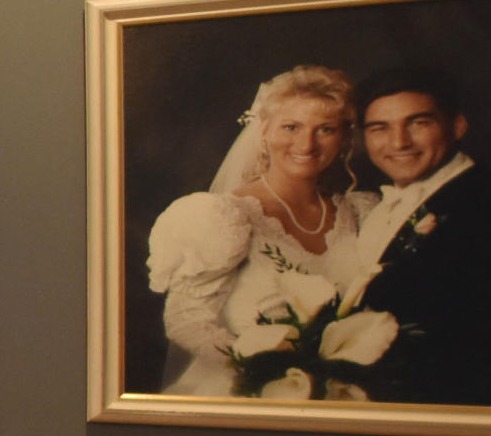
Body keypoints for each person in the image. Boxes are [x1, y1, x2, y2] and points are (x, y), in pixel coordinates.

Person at [146, 65, 372, 395]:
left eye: (325, 129)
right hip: (242, 390)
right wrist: (262, 372)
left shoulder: (360, 212)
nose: (306, 143)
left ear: (344, 138)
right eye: (291, 127)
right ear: (263, 131)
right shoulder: (224, 215)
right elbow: (186, 320)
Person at [348, 64, 484, 406]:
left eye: (418, 123)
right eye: (380, 128)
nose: (399, 142)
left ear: (457, 125)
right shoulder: (376, 207)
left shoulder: (481, 200)